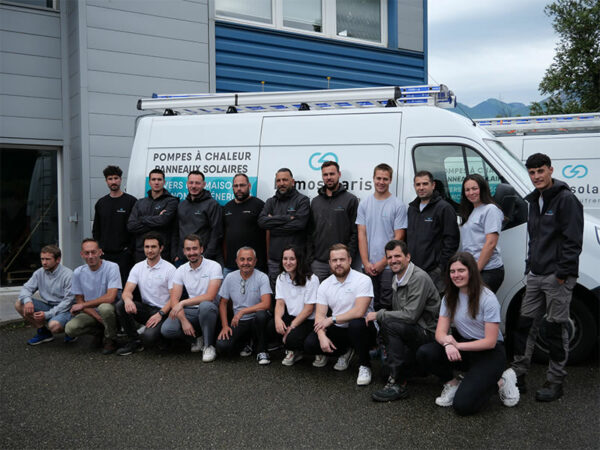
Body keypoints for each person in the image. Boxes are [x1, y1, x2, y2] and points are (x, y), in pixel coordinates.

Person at [509, 152, 583, 402]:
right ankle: (518, 376)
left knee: (554, 330)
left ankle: (555, 381)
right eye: (532, 172)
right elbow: (535, 239)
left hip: (556, 277)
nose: (536, 176)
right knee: (525, 326)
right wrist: (530, 267)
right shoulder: (534, 201)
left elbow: (573, 241)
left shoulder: (566, 200)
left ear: (551, 170)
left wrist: (562, 274)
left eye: (541, 171)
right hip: (536, 275)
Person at [416, 252, 519, 415]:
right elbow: (440, 333)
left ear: (471, 271)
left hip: (490, 353)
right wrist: (448, 344)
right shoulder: (449, 297)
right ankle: (452, 384)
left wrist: (456, 345)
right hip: (464, 348)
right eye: (452, 271)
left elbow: (490, 341)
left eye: (461, 270)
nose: (456, 275)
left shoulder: (487, 298)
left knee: (463, 406)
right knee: (425, 353)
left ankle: (502, 381)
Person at [368, 240, 440, 402]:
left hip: (429, 332)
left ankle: (398, 384)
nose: (393, 260)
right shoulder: (398, 276)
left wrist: (380, 314)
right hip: (413, 330)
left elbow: (410, 316)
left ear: (408, 257)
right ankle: (417, 368)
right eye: (389, 257)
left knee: (388, 322)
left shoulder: (418, 277)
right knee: (385, 372)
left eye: (397, 256)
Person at [304, 244, 376, 386]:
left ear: (349, 260)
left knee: (356, 324)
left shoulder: (363, 280)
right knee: (310, 344)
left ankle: (364, 365)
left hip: (363, 328)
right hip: (340, 329)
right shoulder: (325, 284)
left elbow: (359, 311)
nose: (338, 263)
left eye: (342, 259)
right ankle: (345, 351)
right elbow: (319, 315)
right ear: (330, 263)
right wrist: (322, 336)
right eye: (334, 260)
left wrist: (332, 319)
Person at [161, 234, 223, 362]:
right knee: (167, 330)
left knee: (205, 305)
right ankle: (196, 338)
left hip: (210, 310)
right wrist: (183, 320)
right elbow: (174, 298)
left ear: (201, 249)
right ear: (184, 251)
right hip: (191, 311)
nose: (191, 252)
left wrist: (183, 302)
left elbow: (210, 296)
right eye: (188, 249)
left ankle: (208, 346)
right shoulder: (181, 270)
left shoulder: (214, 266)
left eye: (195, 248)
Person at [115, 232, 176, 356]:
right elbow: (127, 291)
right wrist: (128, 300)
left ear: (161, 248)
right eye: (147, 247)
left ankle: (163, 338)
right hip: (146, 309)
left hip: (164, 311)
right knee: (121, 305)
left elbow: (174, 298)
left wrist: (160, 314)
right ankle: (134, 342)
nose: (150, 250)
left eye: (153, 247)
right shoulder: (138, 267)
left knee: (149, 338)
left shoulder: (170, 269)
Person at [356, 163, 407, 310]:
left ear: (390, 180)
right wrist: (366, 262)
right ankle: (371, 333)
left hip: (389, 266)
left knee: (386, 304)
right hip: (368, 266)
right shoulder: (364, 204)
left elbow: (399, 237)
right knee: (368, 304)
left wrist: (383, 262)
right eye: (378, 178)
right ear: (373, 178)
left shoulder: (398, 205)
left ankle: (384, 333)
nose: (381, 182)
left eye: (385, 179)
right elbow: (362, 234)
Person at [64, 239, 122, 354]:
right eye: (87, 253)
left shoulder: (112, 267)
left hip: (110, 310)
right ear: (82, 254)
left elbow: (110, 297)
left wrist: (83, 305)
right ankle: (99, 332)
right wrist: (97, 317)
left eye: (93, 252)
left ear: (100, 252)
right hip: (91, 312)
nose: (90, 256)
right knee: (70, 329)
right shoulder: (78, 272)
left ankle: (111, 339)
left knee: (104, 308)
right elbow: (79, 299)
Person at [216, 247, 272, 365]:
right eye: (242, 259)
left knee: (261, 314)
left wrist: (242, 312)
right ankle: (247, 342)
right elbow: (223, 303)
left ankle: (262, 351)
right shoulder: (230, 277)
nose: (245, 263)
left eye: (249, 259)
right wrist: (225, 326)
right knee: (222, 347)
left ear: (255, 261)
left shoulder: (262, 277)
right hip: (239, 322)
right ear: (236, 261)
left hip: (256, 319)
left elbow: (266, 304)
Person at [406, 170, 459, 293]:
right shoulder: (412, 209)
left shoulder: (444, 208)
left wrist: (441, 268)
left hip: (434, 273)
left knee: (434, 309)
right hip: (414, 272)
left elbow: (452, 241)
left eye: (425, 184)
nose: (421, 188)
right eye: (418, 184)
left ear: (433, 185)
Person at [258, 168, 310, 290]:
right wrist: (288, 218)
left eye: (285, 180)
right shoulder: (271, 202)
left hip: (296, 261)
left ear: (292, 182)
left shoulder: (302, 200)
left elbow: (300, 224)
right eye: (279, 180)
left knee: (297, 295)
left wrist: (273, 225)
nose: (281, 183)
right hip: (275, 261)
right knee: (276, 296)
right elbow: (261, 222)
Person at [267, 246, 319, 366]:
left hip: (308, 320)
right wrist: (277, 320)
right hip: (291, 316)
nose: (288, 262)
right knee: (271, 327)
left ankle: (311, 351)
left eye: (292, 259)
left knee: (292, 338)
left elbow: (309, 309)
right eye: (285, 258)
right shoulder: (281, 277)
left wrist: (291, 328)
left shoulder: (311, 279)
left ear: (299, 260)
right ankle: (294, 350)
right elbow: (280, 303)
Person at [309, 161, 359, 282]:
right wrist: (310, 258)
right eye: (325, 175)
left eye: (332, 174)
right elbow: (309, 232)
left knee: (341, 299)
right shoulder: (315, 201)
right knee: (318, 299)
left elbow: (355, 232)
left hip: (341, 263)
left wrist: (348, 257)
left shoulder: (350, 200)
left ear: (339, 174)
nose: (329, 177)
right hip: (318, 263)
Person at [15, 245, 75, 345]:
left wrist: (47, 314)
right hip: (50, 306)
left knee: (54, 326)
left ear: (58, 260)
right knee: (19, 304)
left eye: (48, 259)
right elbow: (26, 289)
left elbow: (68, 301)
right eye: (42, 259)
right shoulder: (39, 273)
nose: (44, 262)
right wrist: (28, 301)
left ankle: (71, 330)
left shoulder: (68, 275)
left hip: (67, 309)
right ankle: (43, 333)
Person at [458, 174, 505, 293]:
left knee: (480, 308)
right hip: (473, 269)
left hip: (487, 270)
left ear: (482, 189)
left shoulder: (490, 209)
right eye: (467, 190)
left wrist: (476, 271)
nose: (471, 192)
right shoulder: (472, 211)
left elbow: (491, 243)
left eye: (475, 188)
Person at [92, 165, 137, 285]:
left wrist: (130, 249)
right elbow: (96, 229)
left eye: (116, 178)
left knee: (123, 284)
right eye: (110, 179)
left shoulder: (131, 201)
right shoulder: (101, 203)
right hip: (105, 254)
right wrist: (98, 247)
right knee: (105, 284)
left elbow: (136, 228)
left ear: (121, 179)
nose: (113, 181)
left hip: (124, 254)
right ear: (106, 181)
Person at [127, 168, 179, 262]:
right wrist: (157, 220)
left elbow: (163, 221)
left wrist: (141, 219)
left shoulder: (171, 201)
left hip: (162, 253)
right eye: (153, 179)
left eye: (159, 179)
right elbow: (131, 226)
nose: (156, 182)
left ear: (164, 182)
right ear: (149, 182)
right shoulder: (140, 202)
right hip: (141, 252)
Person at [173, 171, 223, 266]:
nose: (194, 186)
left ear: (204, 184)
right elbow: (175, 231)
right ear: (187, 184)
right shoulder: (181, 205)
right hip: (182, 259)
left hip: (202, 259)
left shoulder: (212, 205)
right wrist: (175, 254)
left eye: (197, 183)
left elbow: (217, 233)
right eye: (191, 182)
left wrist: (206, 256)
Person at [223, 173, 266, 275]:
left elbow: (267, 234)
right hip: (230, 266)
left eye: (242, 185)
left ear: (249, 186)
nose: (239, 189)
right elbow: (224, 236)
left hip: (254, 266)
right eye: (236, 186)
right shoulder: (227, 207)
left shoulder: (259, 205)